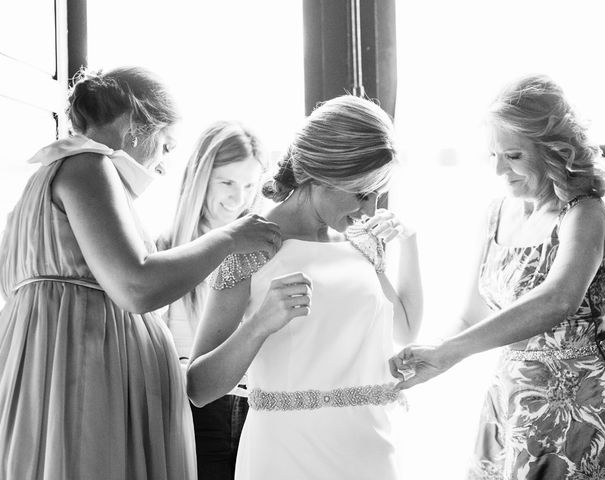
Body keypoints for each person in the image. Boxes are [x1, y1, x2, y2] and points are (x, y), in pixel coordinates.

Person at [0, 67, 281, 480]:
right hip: (86, 380)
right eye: (165, 146)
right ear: (135, 125)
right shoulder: (88, 165)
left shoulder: (47, 183)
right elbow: (137, 286)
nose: (163, 165)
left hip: (67, 374)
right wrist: (230, 238)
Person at [389, 74, 605, 479]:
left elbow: (558, 301)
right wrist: (433, 352)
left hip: (580, 406)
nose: (500, 170)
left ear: (554, 151)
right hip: (511, 401)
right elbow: (472, 315)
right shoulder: (496, 214)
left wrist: (454, 351)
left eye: (514, 156)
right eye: (493, 156)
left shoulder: (584, 213)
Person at [187, 95, 423, 479]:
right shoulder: (248, 244)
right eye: (361, 193)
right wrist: (259, 324)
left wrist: (409, 239)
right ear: (318, 173)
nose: (369, 208)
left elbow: (407, 329)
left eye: (377, 194)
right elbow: (200, 388)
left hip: (371, 454)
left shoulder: (361, 241)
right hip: (285, 456)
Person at [158, 121, 266, 479]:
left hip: (259, 408)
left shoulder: (263, 249)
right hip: (189, 410)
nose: (239, 198)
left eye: (250, 185)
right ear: (201, 177)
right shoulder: (163, 250)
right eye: (227, 182)